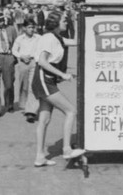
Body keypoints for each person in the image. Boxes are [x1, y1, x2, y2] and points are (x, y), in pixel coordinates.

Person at [31, 11, 85, 167]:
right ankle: (67, 149)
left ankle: (40, 157)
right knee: (71, 111)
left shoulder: (57, 38)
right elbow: (42, 61)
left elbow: (75, 42)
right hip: (43, 78)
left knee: (44, 119)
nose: (66, 22)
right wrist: (63, 74)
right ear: (55, 23)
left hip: (46, 79)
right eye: (63, 20)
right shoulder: (48, 39)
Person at [12, 18, 40, 123]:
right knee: (24, 86)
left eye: (33, 27)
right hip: (23, 63)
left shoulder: (38, 38)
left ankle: (30, 111)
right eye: (29, 27)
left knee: (33, 86)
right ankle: (24, 105)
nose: (32, 29)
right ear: (24, 28)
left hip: (33, 62)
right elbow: (14, 50)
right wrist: (21, 56)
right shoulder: (20, 39)